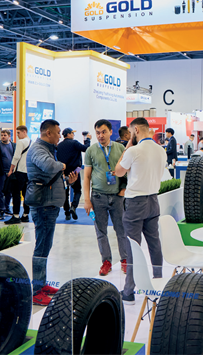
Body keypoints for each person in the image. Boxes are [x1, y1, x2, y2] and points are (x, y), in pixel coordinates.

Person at [114, 117, 167, 305]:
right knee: (154, 243)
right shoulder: (161, 150)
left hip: (135, 202)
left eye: (131, 132)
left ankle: (129, 292)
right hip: (153, 200)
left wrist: (128, 146)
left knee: (132, 246)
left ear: (136, 130)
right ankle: (158, 282)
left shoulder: (133, 151)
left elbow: (118, 171)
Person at [26, 119, 78, 305]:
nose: (59, 136)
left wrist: (67, 181)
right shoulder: (38, 149)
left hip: (49, 204)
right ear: (48, 133)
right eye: (57, 133)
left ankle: (42, 284)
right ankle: (36, 291)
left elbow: (49, 174)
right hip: (43, 206)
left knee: (45, 246)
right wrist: (62, 165)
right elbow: (48, 166)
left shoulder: (48, 149)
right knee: (41, 248)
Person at [83, 119, 129, 276]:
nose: (100, 135)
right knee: (100, 231)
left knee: (121, 229)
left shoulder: (120, 148)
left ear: (111, 132)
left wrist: (123, 189)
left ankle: (125, 260)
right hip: (98, 197)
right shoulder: (91, 151)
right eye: (97, 133)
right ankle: (106, 262)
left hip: (117, 197)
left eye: (103, 132)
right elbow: (86, 177)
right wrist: (87, 200)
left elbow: (126, 171)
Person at [56, 127, 88, 220]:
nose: (73, 135)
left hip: (63, 172)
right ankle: (73, 206)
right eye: (72, 133)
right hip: (75, 171)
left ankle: (67, 213)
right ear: (68, 134)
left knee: (65, 192)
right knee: (77, 190)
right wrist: (87, 139)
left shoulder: (59, 145)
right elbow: (86, 149)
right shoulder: (74, 143)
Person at [5, 126, 32, 225]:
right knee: (26, 195)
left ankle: (16, 215)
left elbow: (16, 157)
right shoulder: (32, 142)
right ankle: (25, 215)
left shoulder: (21, 142)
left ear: (24, 132)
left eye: (18, 133)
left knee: (16, 194)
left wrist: (11, 170)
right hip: (29, 172)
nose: (17, 135)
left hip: (20, 171)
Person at [0, 129, 16, 219]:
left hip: (11, 172)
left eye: (5, 135)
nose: (3, 137)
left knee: (9, 192)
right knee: (0, 192)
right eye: (2, 135)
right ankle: (1, 210)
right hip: (1, 173)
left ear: (9, 136)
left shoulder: (13, 145)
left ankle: (7, 208)